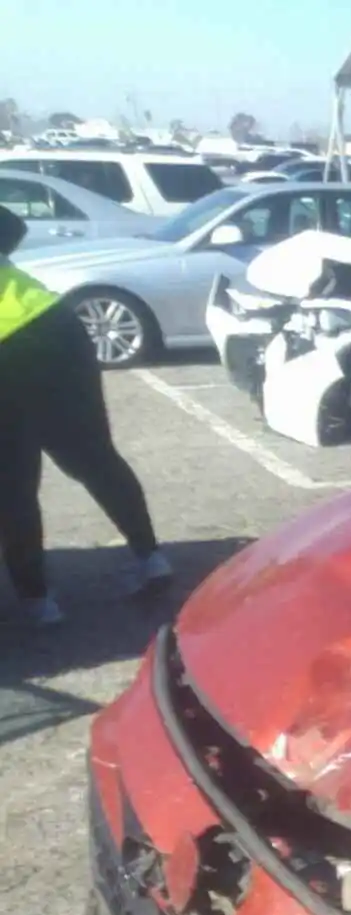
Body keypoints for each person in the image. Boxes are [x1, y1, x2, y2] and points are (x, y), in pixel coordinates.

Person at [0, 205, 169, 626]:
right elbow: (12, 225)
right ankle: (150, 557)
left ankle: (38, 601)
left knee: (13, 482)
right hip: (54, 324)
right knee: (93, 455)